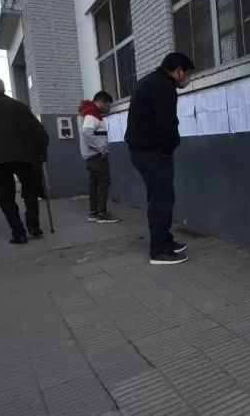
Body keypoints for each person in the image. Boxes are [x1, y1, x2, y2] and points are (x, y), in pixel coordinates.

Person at [125, 52, 193, 265]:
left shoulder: (150, 81)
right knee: (161, 200)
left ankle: (165, 239)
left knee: (162, 197)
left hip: (143, 150)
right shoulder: (163, 86)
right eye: (186, 73)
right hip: (152, 151)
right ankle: (159, 251)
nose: (186, 78)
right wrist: (168, 148)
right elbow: (167, 122)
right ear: (177, 70)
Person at [0, 77, 49, 245]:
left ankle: (18, 232)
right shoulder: (19, 106)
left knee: (5, 197)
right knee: (30, 193)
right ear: (4, 89)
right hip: (25, 157)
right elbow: (40, 132)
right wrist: (42, 154)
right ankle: (34, 226)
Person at [79, 90, 121, 224]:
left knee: (94, 184)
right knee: (102, 183)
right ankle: (102, 214)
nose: (108, 108)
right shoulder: (92, 114)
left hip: (91, 156)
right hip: (96, 156)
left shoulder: (88, 112)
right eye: (107, 104)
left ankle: (93, 213)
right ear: (101, 102)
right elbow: (87, 133)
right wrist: (101, 149)